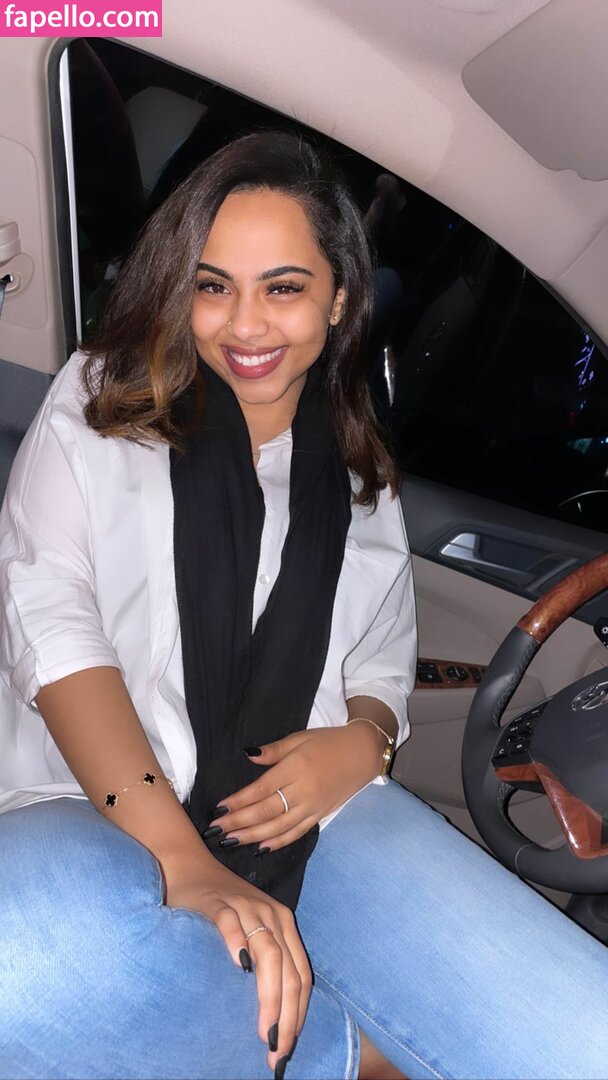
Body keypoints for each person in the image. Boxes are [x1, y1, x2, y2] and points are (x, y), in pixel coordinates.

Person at [1, 132, 608, 1080]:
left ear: (340, 297)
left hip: (310, 815)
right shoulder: (102, 401)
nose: (244, 325)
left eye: (282, 287)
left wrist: (362, 741)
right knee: (26, 958)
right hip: (91, 798)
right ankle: (344, 1057)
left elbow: (380, 659)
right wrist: (183, 861)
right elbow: (53, 623)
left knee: (581, 1038)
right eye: (212, 286)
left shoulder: (360, 470)